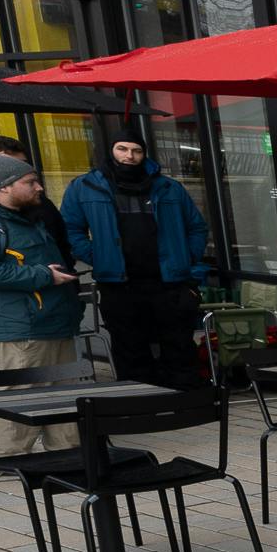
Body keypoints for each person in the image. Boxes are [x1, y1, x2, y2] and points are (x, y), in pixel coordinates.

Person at [0, 156, 84, 456]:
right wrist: (43, 275)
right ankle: (9, 463)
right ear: (3, 188)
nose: (39, 187)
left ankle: (67, 455)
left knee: (63, 391)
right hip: (18, 326)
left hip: (53, 320)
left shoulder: (28, 214)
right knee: (22, 396)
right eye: (29, 182)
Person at [63, 129, 213, 390]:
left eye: (136, 150)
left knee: (179, 346)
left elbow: (196, 227)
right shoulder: (85, 187)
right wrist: (98, 257)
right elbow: (71, 229)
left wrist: (187, 259)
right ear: (110, 150)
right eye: (122, 148)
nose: (129, 156)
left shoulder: (168, 187)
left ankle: (186, 402)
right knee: (130, 349)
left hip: (169, 282)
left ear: (144, 154)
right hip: (119, 284)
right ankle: (142, 403)